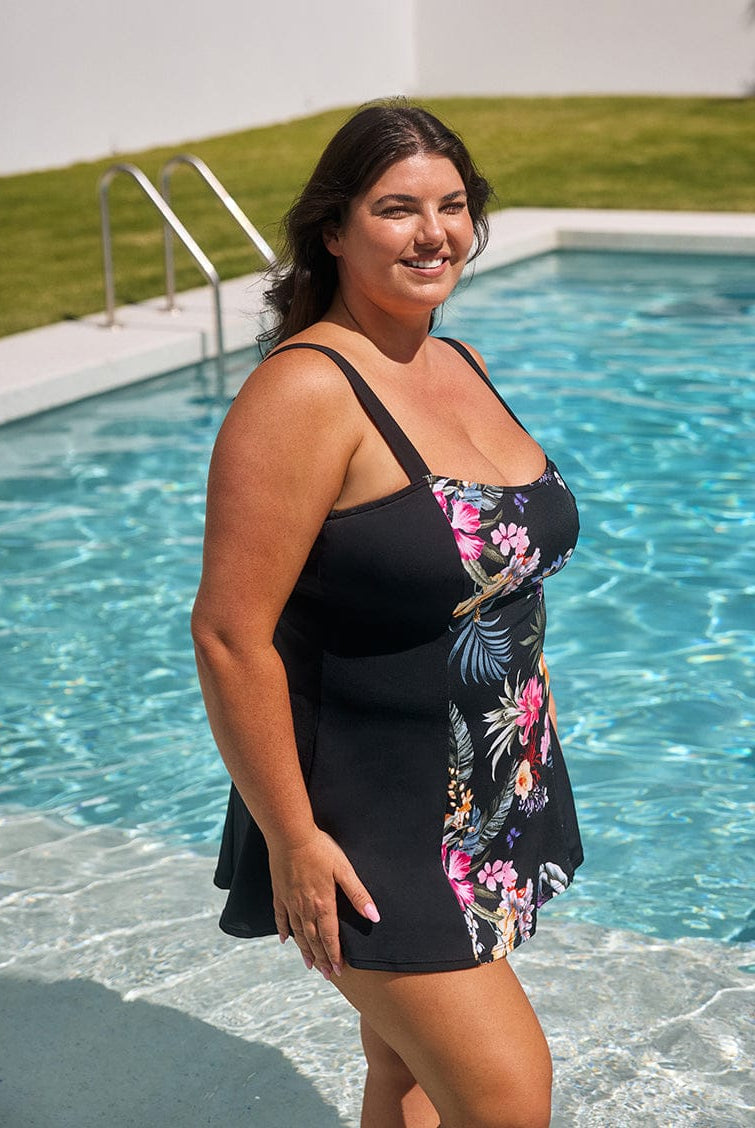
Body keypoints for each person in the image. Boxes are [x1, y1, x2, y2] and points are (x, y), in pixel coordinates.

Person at [192, 99, 583, 1128]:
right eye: (396, 208)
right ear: (333, 228)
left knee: (398, 1075)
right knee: (507, 1098)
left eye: (452, 206)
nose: (433, 232)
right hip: (371, 819)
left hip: (489, 787)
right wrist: (291, 838)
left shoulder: (459, 365)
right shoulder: (304, 395)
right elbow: (230, 636)